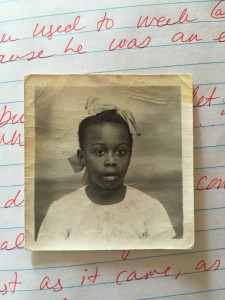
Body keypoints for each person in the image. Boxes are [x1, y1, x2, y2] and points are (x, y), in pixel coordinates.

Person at [37, 98, 176, 250]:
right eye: (99, 152)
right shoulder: (62, 211)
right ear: (82, 157)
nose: (111, 161)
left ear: (130, 155)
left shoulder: (151, 209)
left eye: (120, 151)